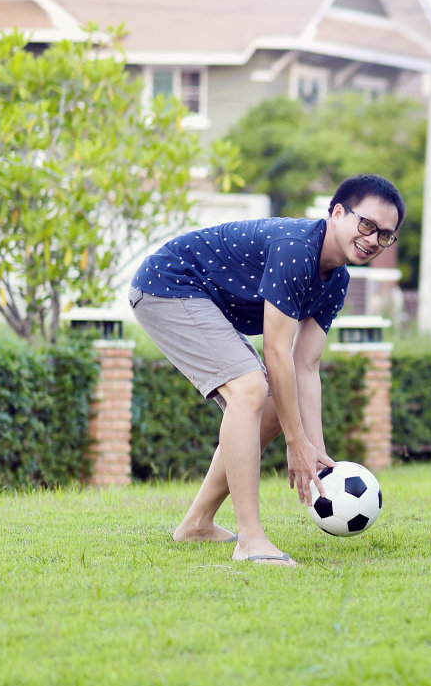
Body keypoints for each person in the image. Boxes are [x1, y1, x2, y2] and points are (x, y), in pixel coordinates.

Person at [128, 173, 406, 567]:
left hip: (203, 299)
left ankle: (197, 524)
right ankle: (250, 540)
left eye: (385, 235)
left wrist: (315, 450)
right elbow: (276, 351)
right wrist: (295, 442)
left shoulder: (337, 281)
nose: (373, 239)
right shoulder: (296, 249)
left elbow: (305, 364)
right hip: (168, 285)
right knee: (250, 389)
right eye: (366, 225)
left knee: (274, 407)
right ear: (337, 213)